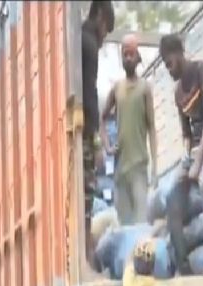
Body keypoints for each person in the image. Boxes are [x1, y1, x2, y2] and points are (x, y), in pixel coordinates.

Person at [159, 33, 203, 278]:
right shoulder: (178, 93)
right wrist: (186, 160)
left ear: (179, 53)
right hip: (194, 149)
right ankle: (183, 267)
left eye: (169, 63)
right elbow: (186, 133)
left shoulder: (200, 71)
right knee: (170, 194)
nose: (168, 69)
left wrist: (198, 163)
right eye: (165, 65)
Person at [101, 33, 158, 225]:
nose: (128, 58)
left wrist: (155, 168)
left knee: (141, 223)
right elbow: (102, 118)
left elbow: (152, 128)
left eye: (131, 54)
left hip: (139, 167)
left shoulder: (145, 88)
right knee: (125, 225)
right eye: (124, 54)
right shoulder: (117, 88)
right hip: (120, 171)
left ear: (138, 57)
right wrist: (108, 147)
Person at [81, 0, 115, 262]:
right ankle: (85, 252)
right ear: (101, 18)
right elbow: (90, 95)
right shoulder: (89, 44)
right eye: (107, 30)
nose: (104, 39)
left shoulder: (76, 39)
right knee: (86, 192)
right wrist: (94, 139)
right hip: (82, 132)